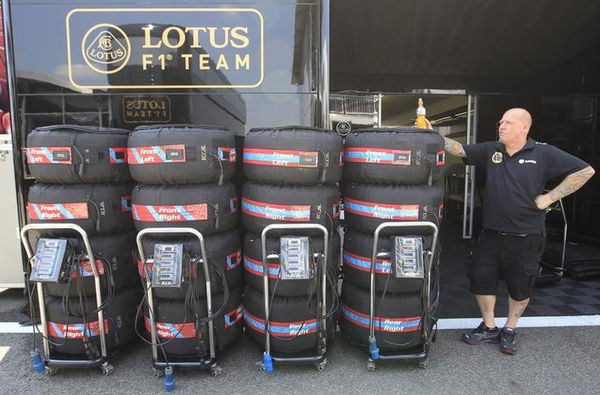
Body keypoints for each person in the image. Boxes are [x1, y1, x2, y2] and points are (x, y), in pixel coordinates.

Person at [430, 108, 595, 355]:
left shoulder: (543, 152)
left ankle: (509, 328)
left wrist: (550, 197)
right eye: (501, 122)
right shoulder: (491, 150)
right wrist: (431, 136)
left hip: (527, 235)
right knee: (480, 280)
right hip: (491, 233)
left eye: (508, 122)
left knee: (521, 284)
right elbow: (460, 150)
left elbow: (585, 171)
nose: (501, 126)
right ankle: (489, 326)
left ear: (524, 128)